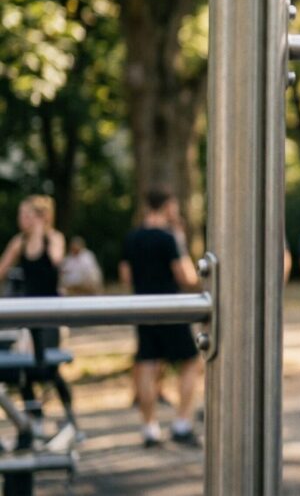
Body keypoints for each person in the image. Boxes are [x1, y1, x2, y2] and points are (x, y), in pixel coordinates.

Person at [118, 189, 203, 448]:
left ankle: (149, 429)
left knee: (147, 365)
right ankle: (181, 424)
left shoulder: (132, 237)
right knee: (191, 361)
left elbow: (125, 277)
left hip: (142, 307)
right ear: (167, 207)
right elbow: (186, 278)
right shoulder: (169, 238)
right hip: (171, 308)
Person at [0, 195, 78, 437]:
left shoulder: (53, 238)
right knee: (23, 366)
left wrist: (39, 232)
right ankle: (35, 418)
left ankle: (70, 418)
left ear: (41, 217)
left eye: (26, 215)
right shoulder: (19, 242)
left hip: (50, 312)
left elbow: (55, 259)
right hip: (27, 311)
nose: (21, 220)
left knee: (49, 367)